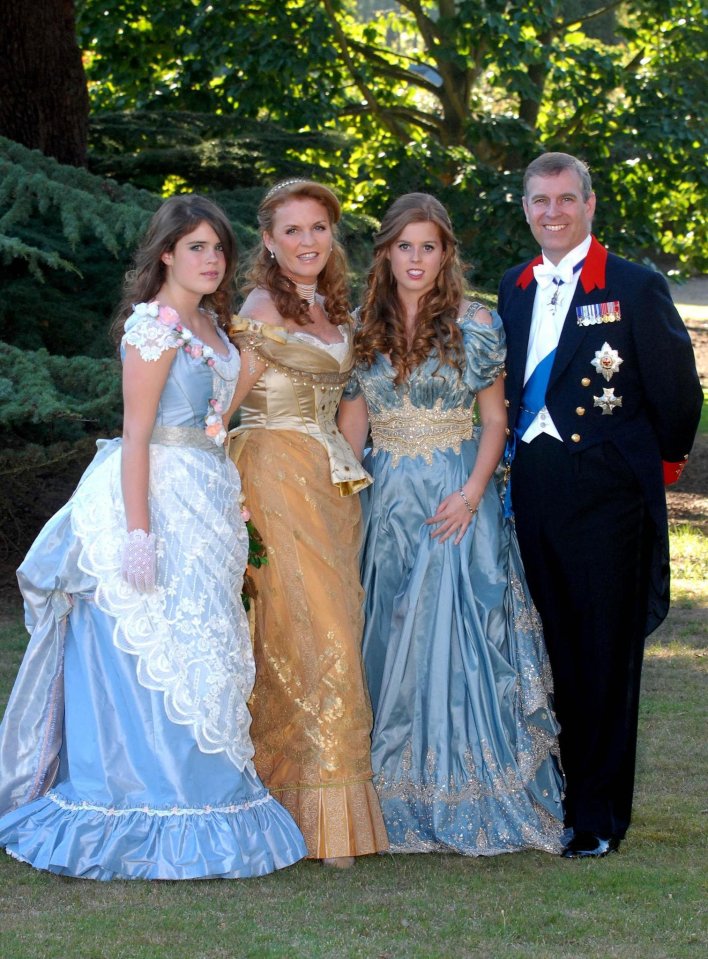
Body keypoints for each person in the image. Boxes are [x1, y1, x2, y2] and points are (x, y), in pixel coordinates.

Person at [0, 195, 307, 879]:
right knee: (158, 634)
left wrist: (240, 395)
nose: (210, 259)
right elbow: (137, 433)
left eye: (218, 248)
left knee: (208, 641)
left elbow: (211, 423)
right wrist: (140, 533)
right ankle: (143, 797)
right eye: (195, 246)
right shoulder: (153, 327)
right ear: (166, 253)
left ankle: (208, 793)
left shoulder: (213, 325)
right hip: (154, 495)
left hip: (207, 494)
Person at [337, 193, 564, 856]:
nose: (416, 258)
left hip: (455, 494)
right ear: (385, 252)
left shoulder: (476, 322)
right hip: (386, 497)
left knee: (461, 634)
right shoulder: (361, 325)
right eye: (404, 245)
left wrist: (471, 493)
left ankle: (469, 782)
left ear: (445, 254)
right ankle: (386, 791)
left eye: (428, 246)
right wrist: (341, 493)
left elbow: (495, 420)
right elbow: (354, 422)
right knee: (391, 629)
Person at [498, 152, 702, 858]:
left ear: (589, 205)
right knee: (545, 646)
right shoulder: (515, 286)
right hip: (533, 484)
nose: (551, 212)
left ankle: (597, 815)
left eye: (564, 199)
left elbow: (679, 397)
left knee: (601, 653)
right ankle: (554, 793)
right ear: (525, 208)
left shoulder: (634, 285)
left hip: (606, 494)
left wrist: (647, 468)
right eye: (538, 201)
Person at [225, 179, 388, 867]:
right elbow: (225, 405)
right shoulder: (261, 306)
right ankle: (299, 810)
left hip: (330, 484)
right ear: (268, 240)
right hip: (269, 474)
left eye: (318, 227)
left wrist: (353, 456)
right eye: (292, 230)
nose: (307, 242)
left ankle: (330, 811)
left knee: (335, 630)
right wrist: (212, 487)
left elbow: (352, 398)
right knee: (300, 634)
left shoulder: (334, 306)